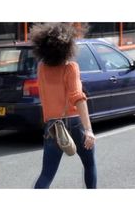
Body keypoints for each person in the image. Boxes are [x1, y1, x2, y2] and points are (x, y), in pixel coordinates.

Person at [31, 23, 97, 189]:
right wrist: (88, 130)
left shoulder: (41, 69)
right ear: (67, 47)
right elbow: (78, 98)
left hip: (53, 126)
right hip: (74, 123)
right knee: (89, 164)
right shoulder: (71, 68)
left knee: (46, 174)